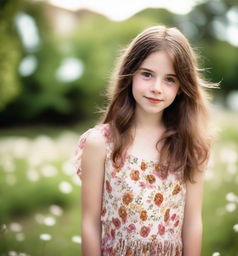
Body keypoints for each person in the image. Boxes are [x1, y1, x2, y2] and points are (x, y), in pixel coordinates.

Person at [74, 25, 219, 256]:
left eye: (170, 79)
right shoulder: (100, 143)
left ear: (182, 87)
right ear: (130, 74)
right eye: (147, 74)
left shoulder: (190, 145)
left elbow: (193, 223)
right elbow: (90, 224)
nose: (156, 88)